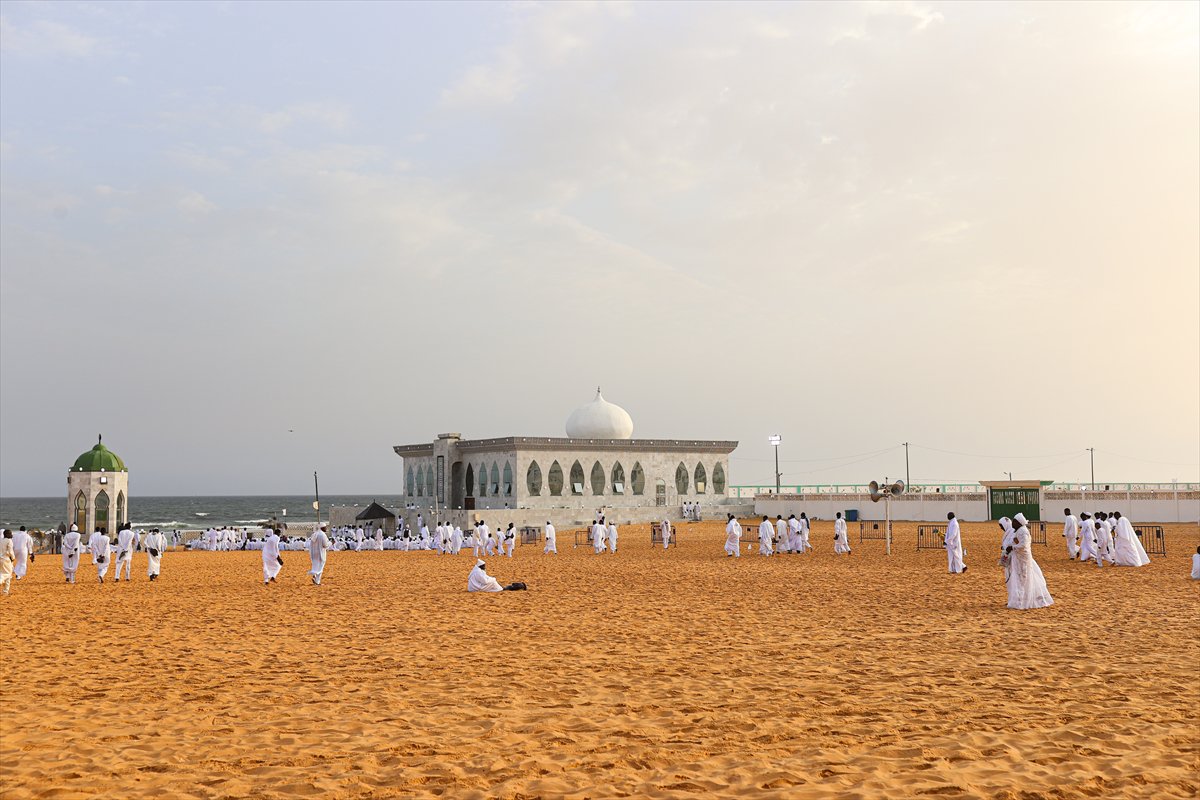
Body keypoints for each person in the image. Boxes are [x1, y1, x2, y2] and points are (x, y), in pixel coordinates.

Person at [1004, 515, 1053, 609]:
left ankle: (1023, 601)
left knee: (1023, 579)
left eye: (1014, 521)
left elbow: (1024, 545)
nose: (1012, 523)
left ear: (1019, 523)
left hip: (1023, 560)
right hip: (1017, 559)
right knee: (1018, 579)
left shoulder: (1023, 531)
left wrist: (1012, 547)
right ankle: (1019, 600)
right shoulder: (1017, 531)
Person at [0, 531, 14, 596]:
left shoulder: (1, 540)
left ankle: (6, 591)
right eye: (10, 533)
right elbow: (10, 551)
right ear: (7, 534)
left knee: (7, 574)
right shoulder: (9, 541)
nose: (11, 534)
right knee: (7, 574)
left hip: (0, 559)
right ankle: (5, 590)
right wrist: (13, 558)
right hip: (6, 559)